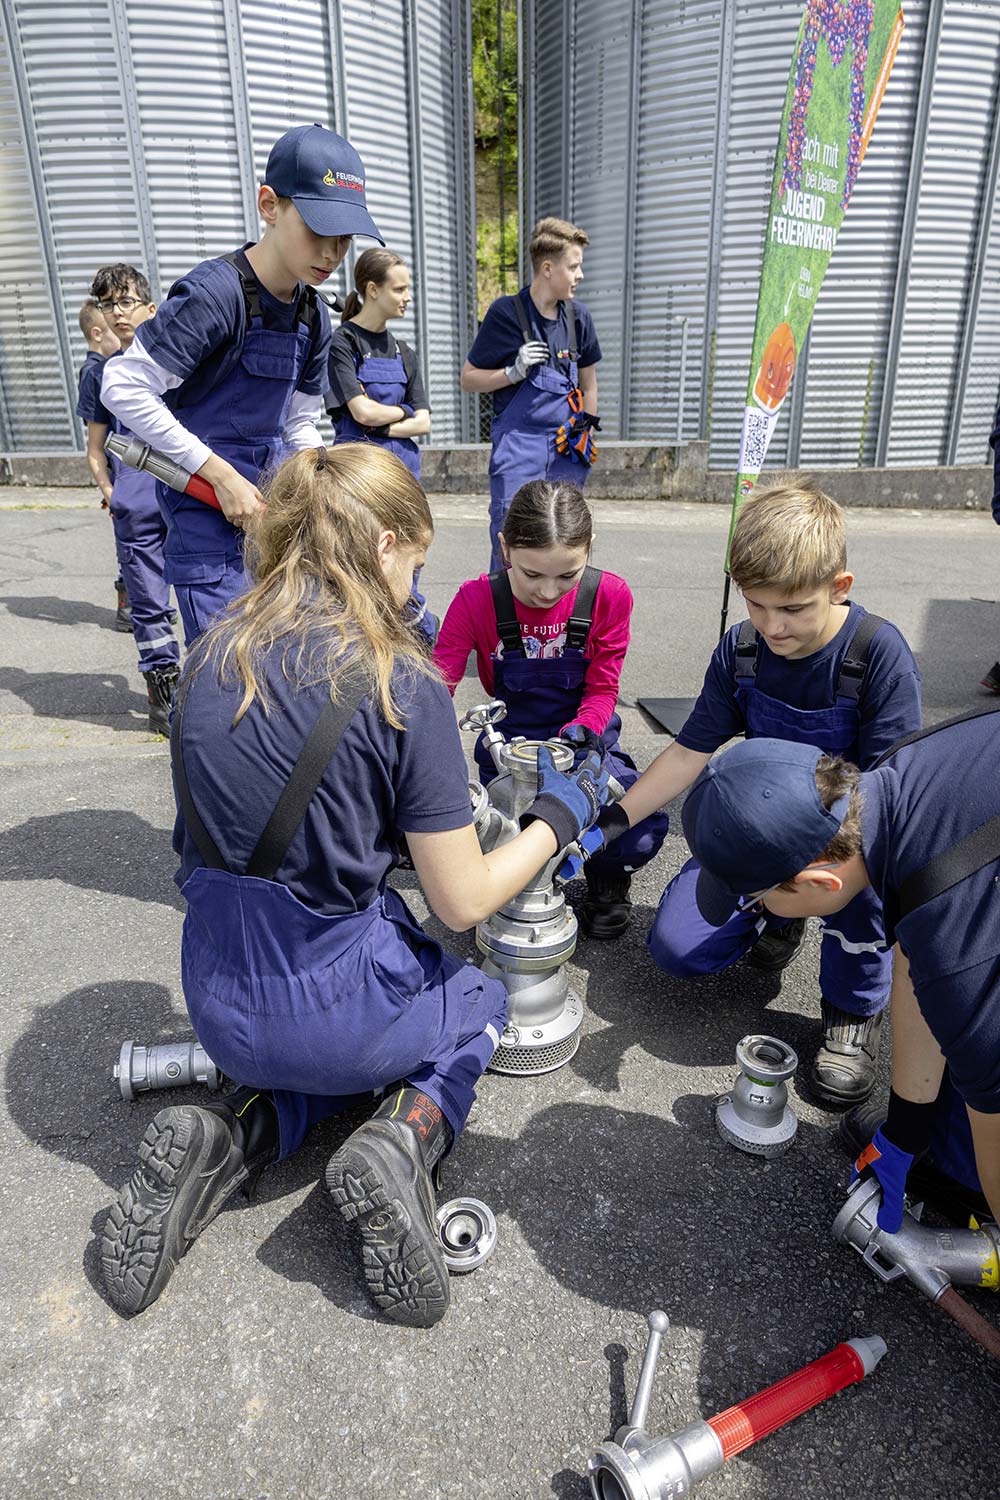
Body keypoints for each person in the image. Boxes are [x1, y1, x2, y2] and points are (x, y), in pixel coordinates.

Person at [100, 444, 614, 1329]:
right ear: (383, 547)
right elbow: (462, 902)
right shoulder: (395, 680)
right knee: (477, 1000)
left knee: (313, 1033)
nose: (420, 582)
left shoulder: (209, 659)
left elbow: (208, 846)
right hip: (340, 1011)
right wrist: (559, 818)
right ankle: (402, 1138)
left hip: (220, 1003)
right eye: (417, 559)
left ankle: (231, 1133)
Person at [596, 481, 922, 1104]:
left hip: (844, 845)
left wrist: (820, 881)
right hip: (758, 832)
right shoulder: (742, 651)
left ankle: (852, 1009)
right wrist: (610, 820)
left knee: (863, 900)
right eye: (757, 605)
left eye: (794, 608)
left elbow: (890, 796)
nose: (774, 626)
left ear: (840, 587)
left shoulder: (875, 656)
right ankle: (778, 914)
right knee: (677, 949)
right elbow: (691, 751)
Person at [676, 713, 1000, 1233]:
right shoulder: (894, 784)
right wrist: (907, 1129)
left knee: (980, 1123)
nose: (756, 909)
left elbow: (947, 982)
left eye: (757, 899)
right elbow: (914, 964)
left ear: (821, 884)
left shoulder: (957, 942)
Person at [102, 123, 381, 650]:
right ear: (269, 205)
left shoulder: (313, 317)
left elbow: (299, 421)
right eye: (318, 230)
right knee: (228, 678)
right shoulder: (215, 295)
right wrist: (221, 476)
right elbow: (123, 386)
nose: (331, 252)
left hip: (273, 523)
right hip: (205, 523)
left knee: (284, 672)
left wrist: (324, 489)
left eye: (344, 237)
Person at [433, 478, 668, 938]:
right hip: (511, 745)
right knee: (499, 827)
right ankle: (518, 880)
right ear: (504, 549)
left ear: (589, 550)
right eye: (531, 574)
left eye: (567, 575)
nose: (547, 591)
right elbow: (437, 686)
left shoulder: (610, 596)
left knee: (636, 826)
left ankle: (607, 877)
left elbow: (602, 690)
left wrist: (579, 737)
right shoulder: (476, 599)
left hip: (584, 738)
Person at [460, 218, 601, 572]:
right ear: (548, 268)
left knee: (565, 539)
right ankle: (503, 621)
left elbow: (590, 384)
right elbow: (469, 379)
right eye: (574, 266)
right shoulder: (505, 314)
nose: (580, 274)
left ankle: (556, 621)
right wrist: (512, 372)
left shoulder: (578, 318)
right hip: (518, 447)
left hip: (566, 448)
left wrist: (586, 431)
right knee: (513, 537)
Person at [80, 267, 180, 732]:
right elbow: (95, 448)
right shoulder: (100, 373)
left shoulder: (180, 360)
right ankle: (163, 689)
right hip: (136, 502)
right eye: (108, 304)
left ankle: (219, 686)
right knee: (148, 603)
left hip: (187, 494)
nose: (118, 312)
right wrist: (112, 494)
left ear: (150, 308)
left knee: (210, 594)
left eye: (126, 301)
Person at [326, 247, 435, 642]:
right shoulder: (343, 344)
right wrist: (401, 412)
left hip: (404, 476)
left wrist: (386, 419)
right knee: (359, 564)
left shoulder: (406, 352)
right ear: (372, 290)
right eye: (400, 289)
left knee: (407, 562)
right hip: (358, 477)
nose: (407, 297)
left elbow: (423, 420)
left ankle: (408, 642)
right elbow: (359, 412)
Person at [75, 299, 128, 629]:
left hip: (121, 471)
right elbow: (95, 439)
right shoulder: (94, 372)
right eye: (112, 330)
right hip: (117, 473)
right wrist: (108, 487)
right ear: (97, 333)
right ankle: (129, 605)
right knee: (129, 541)